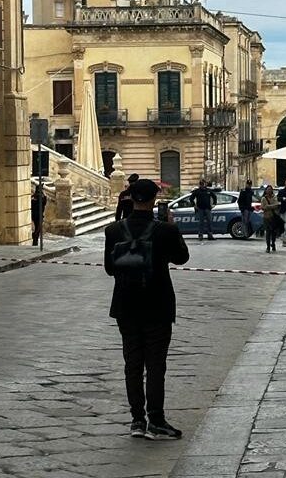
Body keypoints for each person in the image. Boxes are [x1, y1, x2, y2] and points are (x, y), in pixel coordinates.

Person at [103, 179, 190, 440]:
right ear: (154, 199)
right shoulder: (165, 231)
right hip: (157, 304)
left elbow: (110, 269)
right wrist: (173, 226)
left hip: (125, 305)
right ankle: (157, 420)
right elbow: (182, 258)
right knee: (155, 365)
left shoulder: (113, 231)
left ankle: (137, 421)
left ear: (131, 198)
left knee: (132, 364)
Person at [260, 185, 281, 253]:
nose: (269, 191)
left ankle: (273, 243)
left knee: (274, 232)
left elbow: (276, 205)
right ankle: (268, 247)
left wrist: (268, 206)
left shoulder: (274, 197)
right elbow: (263, 207)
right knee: (268, 233)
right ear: (266, 190)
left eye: (270, 189)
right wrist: (271, 206)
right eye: (268, 189)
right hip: (266, 217)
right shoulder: (263, 198)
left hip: (273, 217)